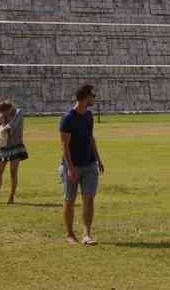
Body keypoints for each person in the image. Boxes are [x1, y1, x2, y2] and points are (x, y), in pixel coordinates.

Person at [59, 84, 105, 245]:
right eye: (93, 95)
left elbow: (91, 138)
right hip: (72, 166)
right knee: (69, 200)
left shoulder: (89, 116)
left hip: (89, 164)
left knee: (89, 199)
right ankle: (70, 234)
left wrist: (98, 159)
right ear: (86, 97)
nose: (94, 98)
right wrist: (70, 169)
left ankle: (87, 234)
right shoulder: (67, 119)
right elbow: (64, 146)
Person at [0, 100, 27, 205]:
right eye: (2, 113)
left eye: (5, 112)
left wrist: (1, 132)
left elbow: (12, 126)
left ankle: (11, 197)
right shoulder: (2, 115)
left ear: (10, 109)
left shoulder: (19, 113)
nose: (3, 115)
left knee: (13, 172)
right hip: (4, 148)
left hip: (16, 147)